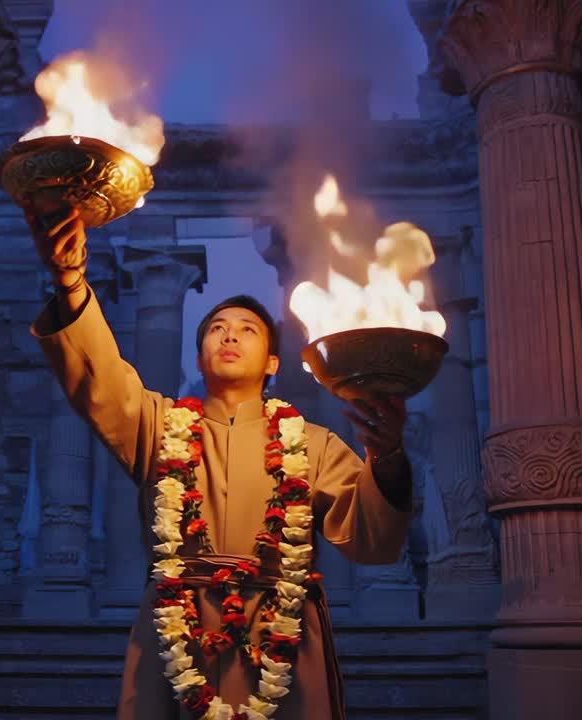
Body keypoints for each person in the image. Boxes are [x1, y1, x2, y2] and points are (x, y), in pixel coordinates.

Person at [29, 208, 414, 720]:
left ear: (273, 362)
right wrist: (72, 282)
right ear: (200, 353)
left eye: (247, 329)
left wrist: (387, 457)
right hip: (176, 634)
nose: (229, 336)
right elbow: (100, 380)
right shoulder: (159, 427)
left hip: (284, 633)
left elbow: (371, 537)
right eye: (216, 328)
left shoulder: (314, 444)